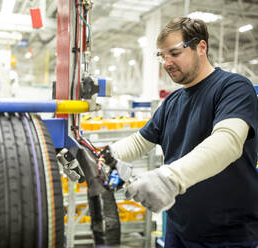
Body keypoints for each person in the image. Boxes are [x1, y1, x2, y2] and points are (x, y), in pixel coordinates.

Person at [102, 17, 258, 246]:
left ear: (201, 47)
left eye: (174, 53)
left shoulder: (233, 87)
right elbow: (139, 142)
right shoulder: (172, 101)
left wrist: (169, 178)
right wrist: (101, 155)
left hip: (227, 234)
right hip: (178, 227)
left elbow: (228, 142)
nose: (166, 63)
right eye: (162, 56)